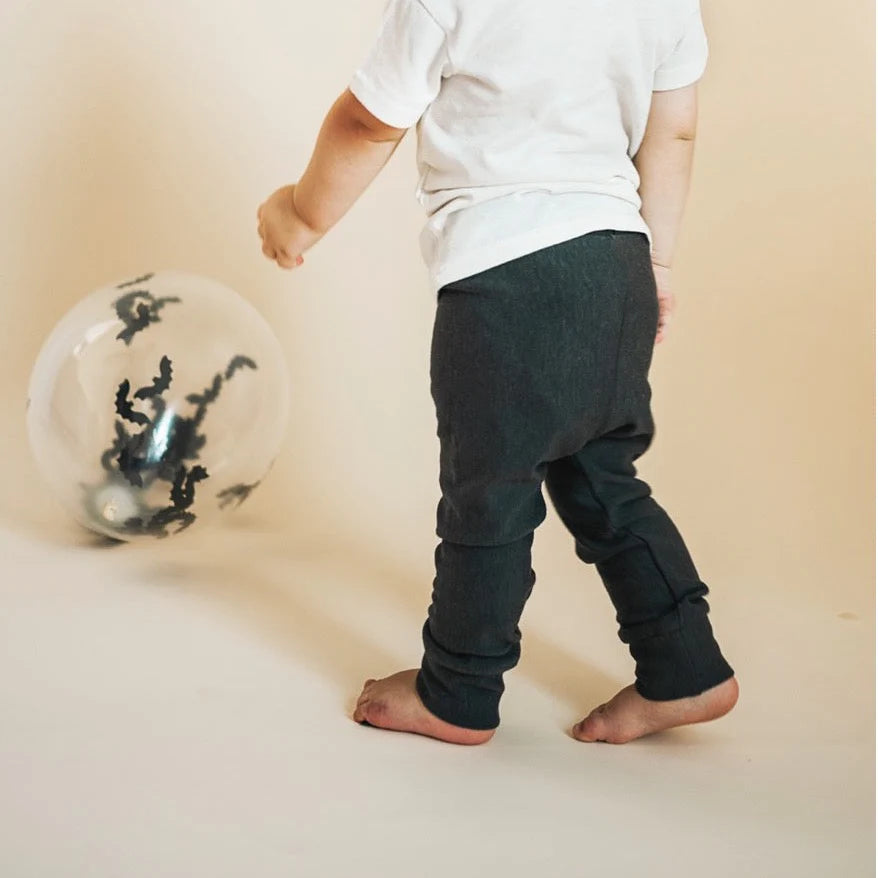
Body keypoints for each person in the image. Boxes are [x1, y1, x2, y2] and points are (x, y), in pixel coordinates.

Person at [256, 0, 738, 746]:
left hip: (507, 277)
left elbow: (369, 121)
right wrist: (659, 265)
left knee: (490, 492)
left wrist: (301, 215)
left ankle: (457, 690)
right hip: (619, 262)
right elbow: (673, 129)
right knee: (604, 479)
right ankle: (687, 666)